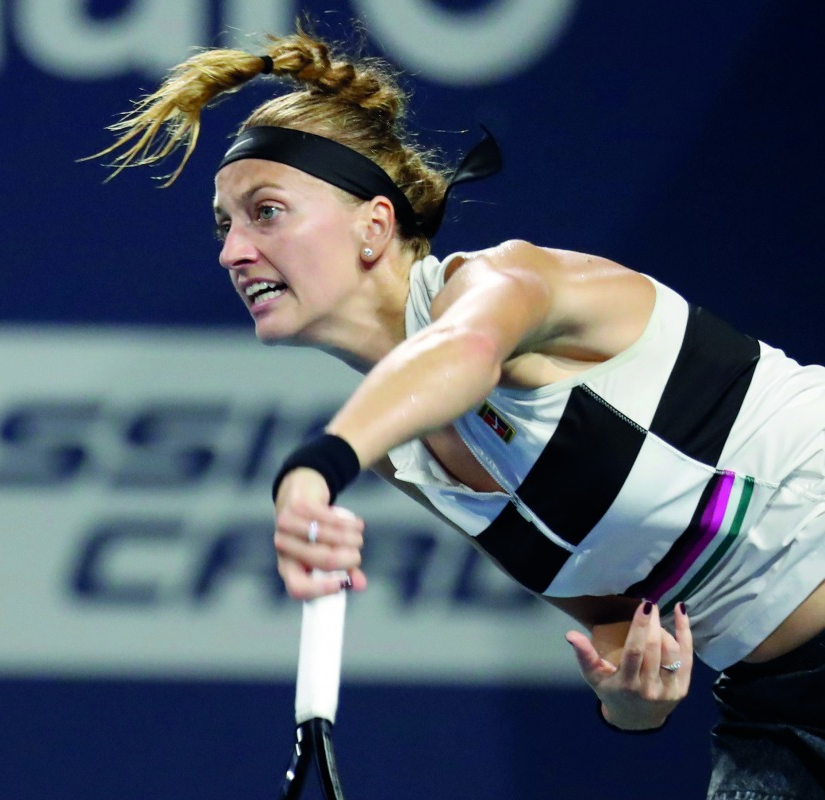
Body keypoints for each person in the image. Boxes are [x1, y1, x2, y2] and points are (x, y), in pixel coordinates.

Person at [92, 24, 825, 798]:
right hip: (777, 703)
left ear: (375, 224)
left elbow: (465, 353)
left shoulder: (503, 284)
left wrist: (317, 465)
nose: (232, 252)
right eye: (224, 226)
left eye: (265, 212)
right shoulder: (407, 457)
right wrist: (627, 702)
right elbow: (612, 607)